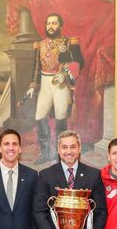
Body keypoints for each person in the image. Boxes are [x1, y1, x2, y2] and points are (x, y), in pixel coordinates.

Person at [24, 13, 84, 165]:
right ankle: (46, 153)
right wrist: (32, 86)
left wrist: (64, 74)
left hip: (60, 85)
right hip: (45, 84)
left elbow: (78, 62)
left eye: (54, 23)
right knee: (39, 116)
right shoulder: (41, 44)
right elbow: (36, 67)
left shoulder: (70, 43)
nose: (50, 26)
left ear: (60, 26)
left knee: (60, 118)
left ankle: (61, 155)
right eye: (48, 23)